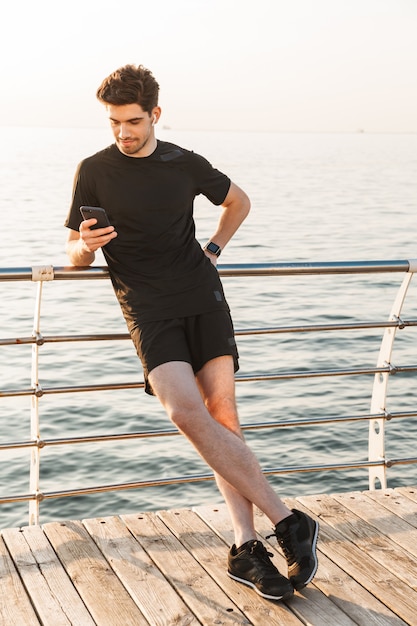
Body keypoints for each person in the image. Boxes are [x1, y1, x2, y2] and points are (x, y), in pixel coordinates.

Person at [65, 64, 319, 602]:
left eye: (132, 121)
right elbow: (73, 257)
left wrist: (215, 249)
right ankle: (288, 519)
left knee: (223, 415)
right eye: (114, 122)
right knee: (185, 411)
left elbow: (238, 202)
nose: (122, 132)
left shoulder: (185, 162)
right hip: (147, 307)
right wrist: (86, 246)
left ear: (155, 114)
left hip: (201, 296)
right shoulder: (93, 170)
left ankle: (247, 547)